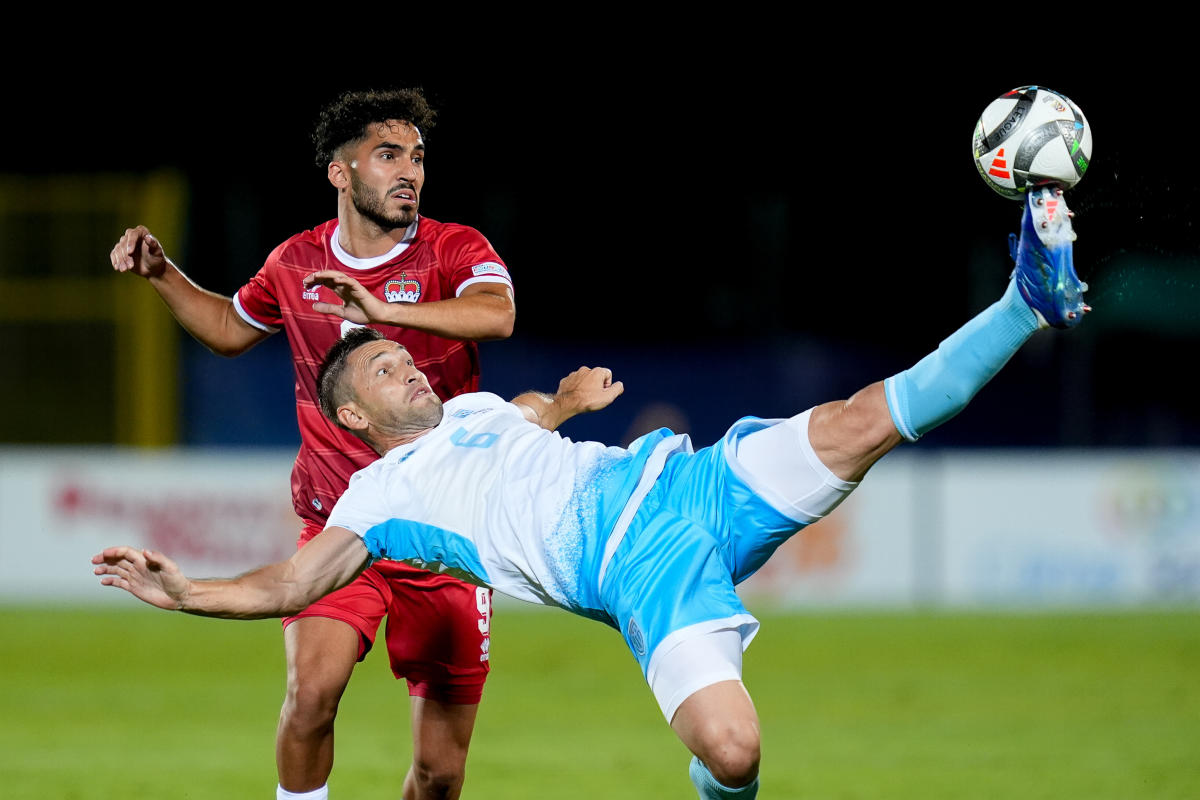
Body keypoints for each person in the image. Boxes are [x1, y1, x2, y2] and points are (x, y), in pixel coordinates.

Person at [96, 186, 1089, 799]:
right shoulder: (382, 497)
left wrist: (562, 399)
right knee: (735, 752)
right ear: (351, 416)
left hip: (694, 484)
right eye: (385, 370)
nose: (407, 367)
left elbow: (519, 413)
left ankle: (1025, 296)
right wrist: (180, 589)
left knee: (866, 417)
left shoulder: (470, 411)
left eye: (404, 354)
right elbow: (286, 583)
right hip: (642, 577)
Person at [107, 88, 516, 800]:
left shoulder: (455, 248)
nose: (410, 172)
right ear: (340, 171)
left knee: (439, 772)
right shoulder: (294, 263)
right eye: (388, 155)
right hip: (340, 521)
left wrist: (384, 308)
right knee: (309, 696)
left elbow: (497, 314)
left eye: (418, 157)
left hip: (446, 530)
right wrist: (163, 276)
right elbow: (233, 329)